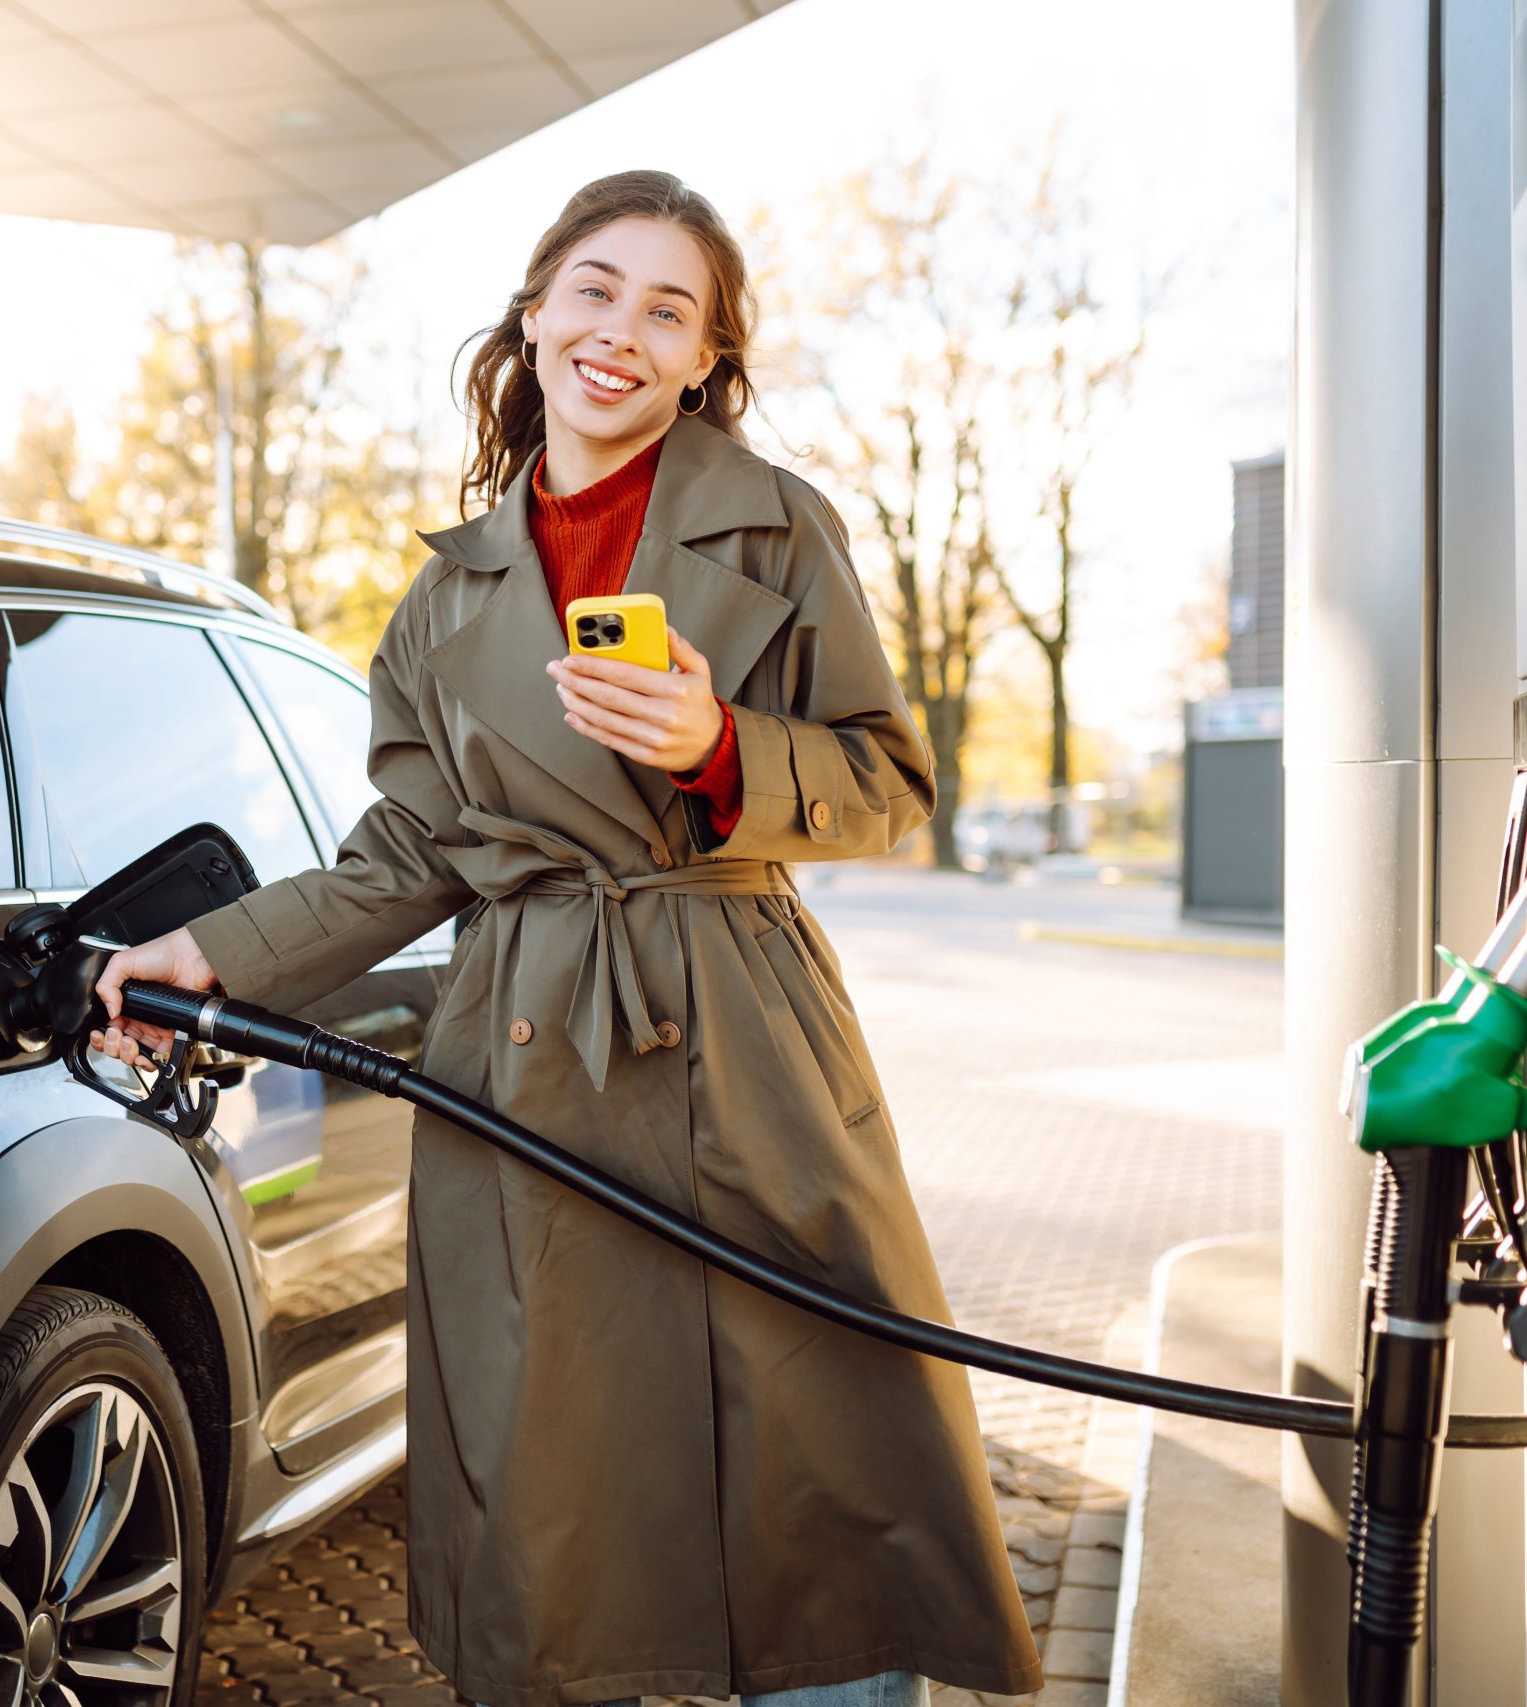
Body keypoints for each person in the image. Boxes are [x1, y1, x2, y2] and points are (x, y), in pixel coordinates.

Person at [93, 170, 1040, 1707]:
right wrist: (214, 956)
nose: (625, 330)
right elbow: (411, 853)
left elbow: (890, 788)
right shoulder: (441, 600)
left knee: (822, 1451)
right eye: (596, 288)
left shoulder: (780, 529)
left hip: (746, 1032)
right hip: (528, 1060)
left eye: (672, 309)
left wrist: (721, 743)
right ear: (534, 314)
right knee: (561, 1475)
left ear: (704, 356)